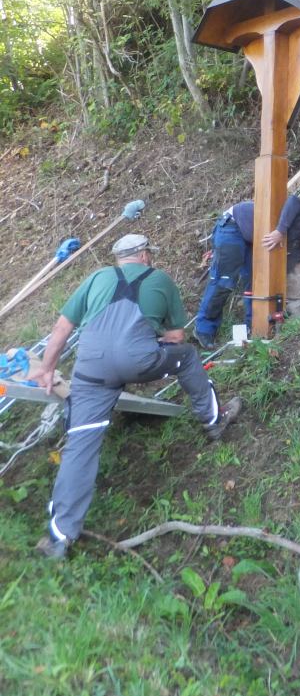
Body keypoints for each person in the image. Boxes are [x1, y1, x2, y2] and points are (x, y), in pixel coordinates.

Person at [33, 233, 241, 560]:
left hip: (91, 369)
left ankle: (59, 537)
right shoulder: (160, 279)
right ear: (144, 255)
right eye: (149, 253)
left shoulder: (96, 278)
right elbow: (176, 336)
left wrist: (47, 369)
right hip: (138, 362)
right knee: (187, 357)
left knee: (81, 445)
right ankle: (214, 420)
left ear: (119, 258)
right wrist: (149, 341)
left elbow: (61, 328)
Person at [194, 196, 300, 347]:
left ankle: (254, 330)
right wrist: (280, 231)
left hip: (253, 240)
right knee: (224, 281)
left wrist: (279, 301)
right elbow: (293, 201)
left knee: (256, 283)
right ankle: (203, 330)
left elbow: (282, 268)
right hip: (233, 226)